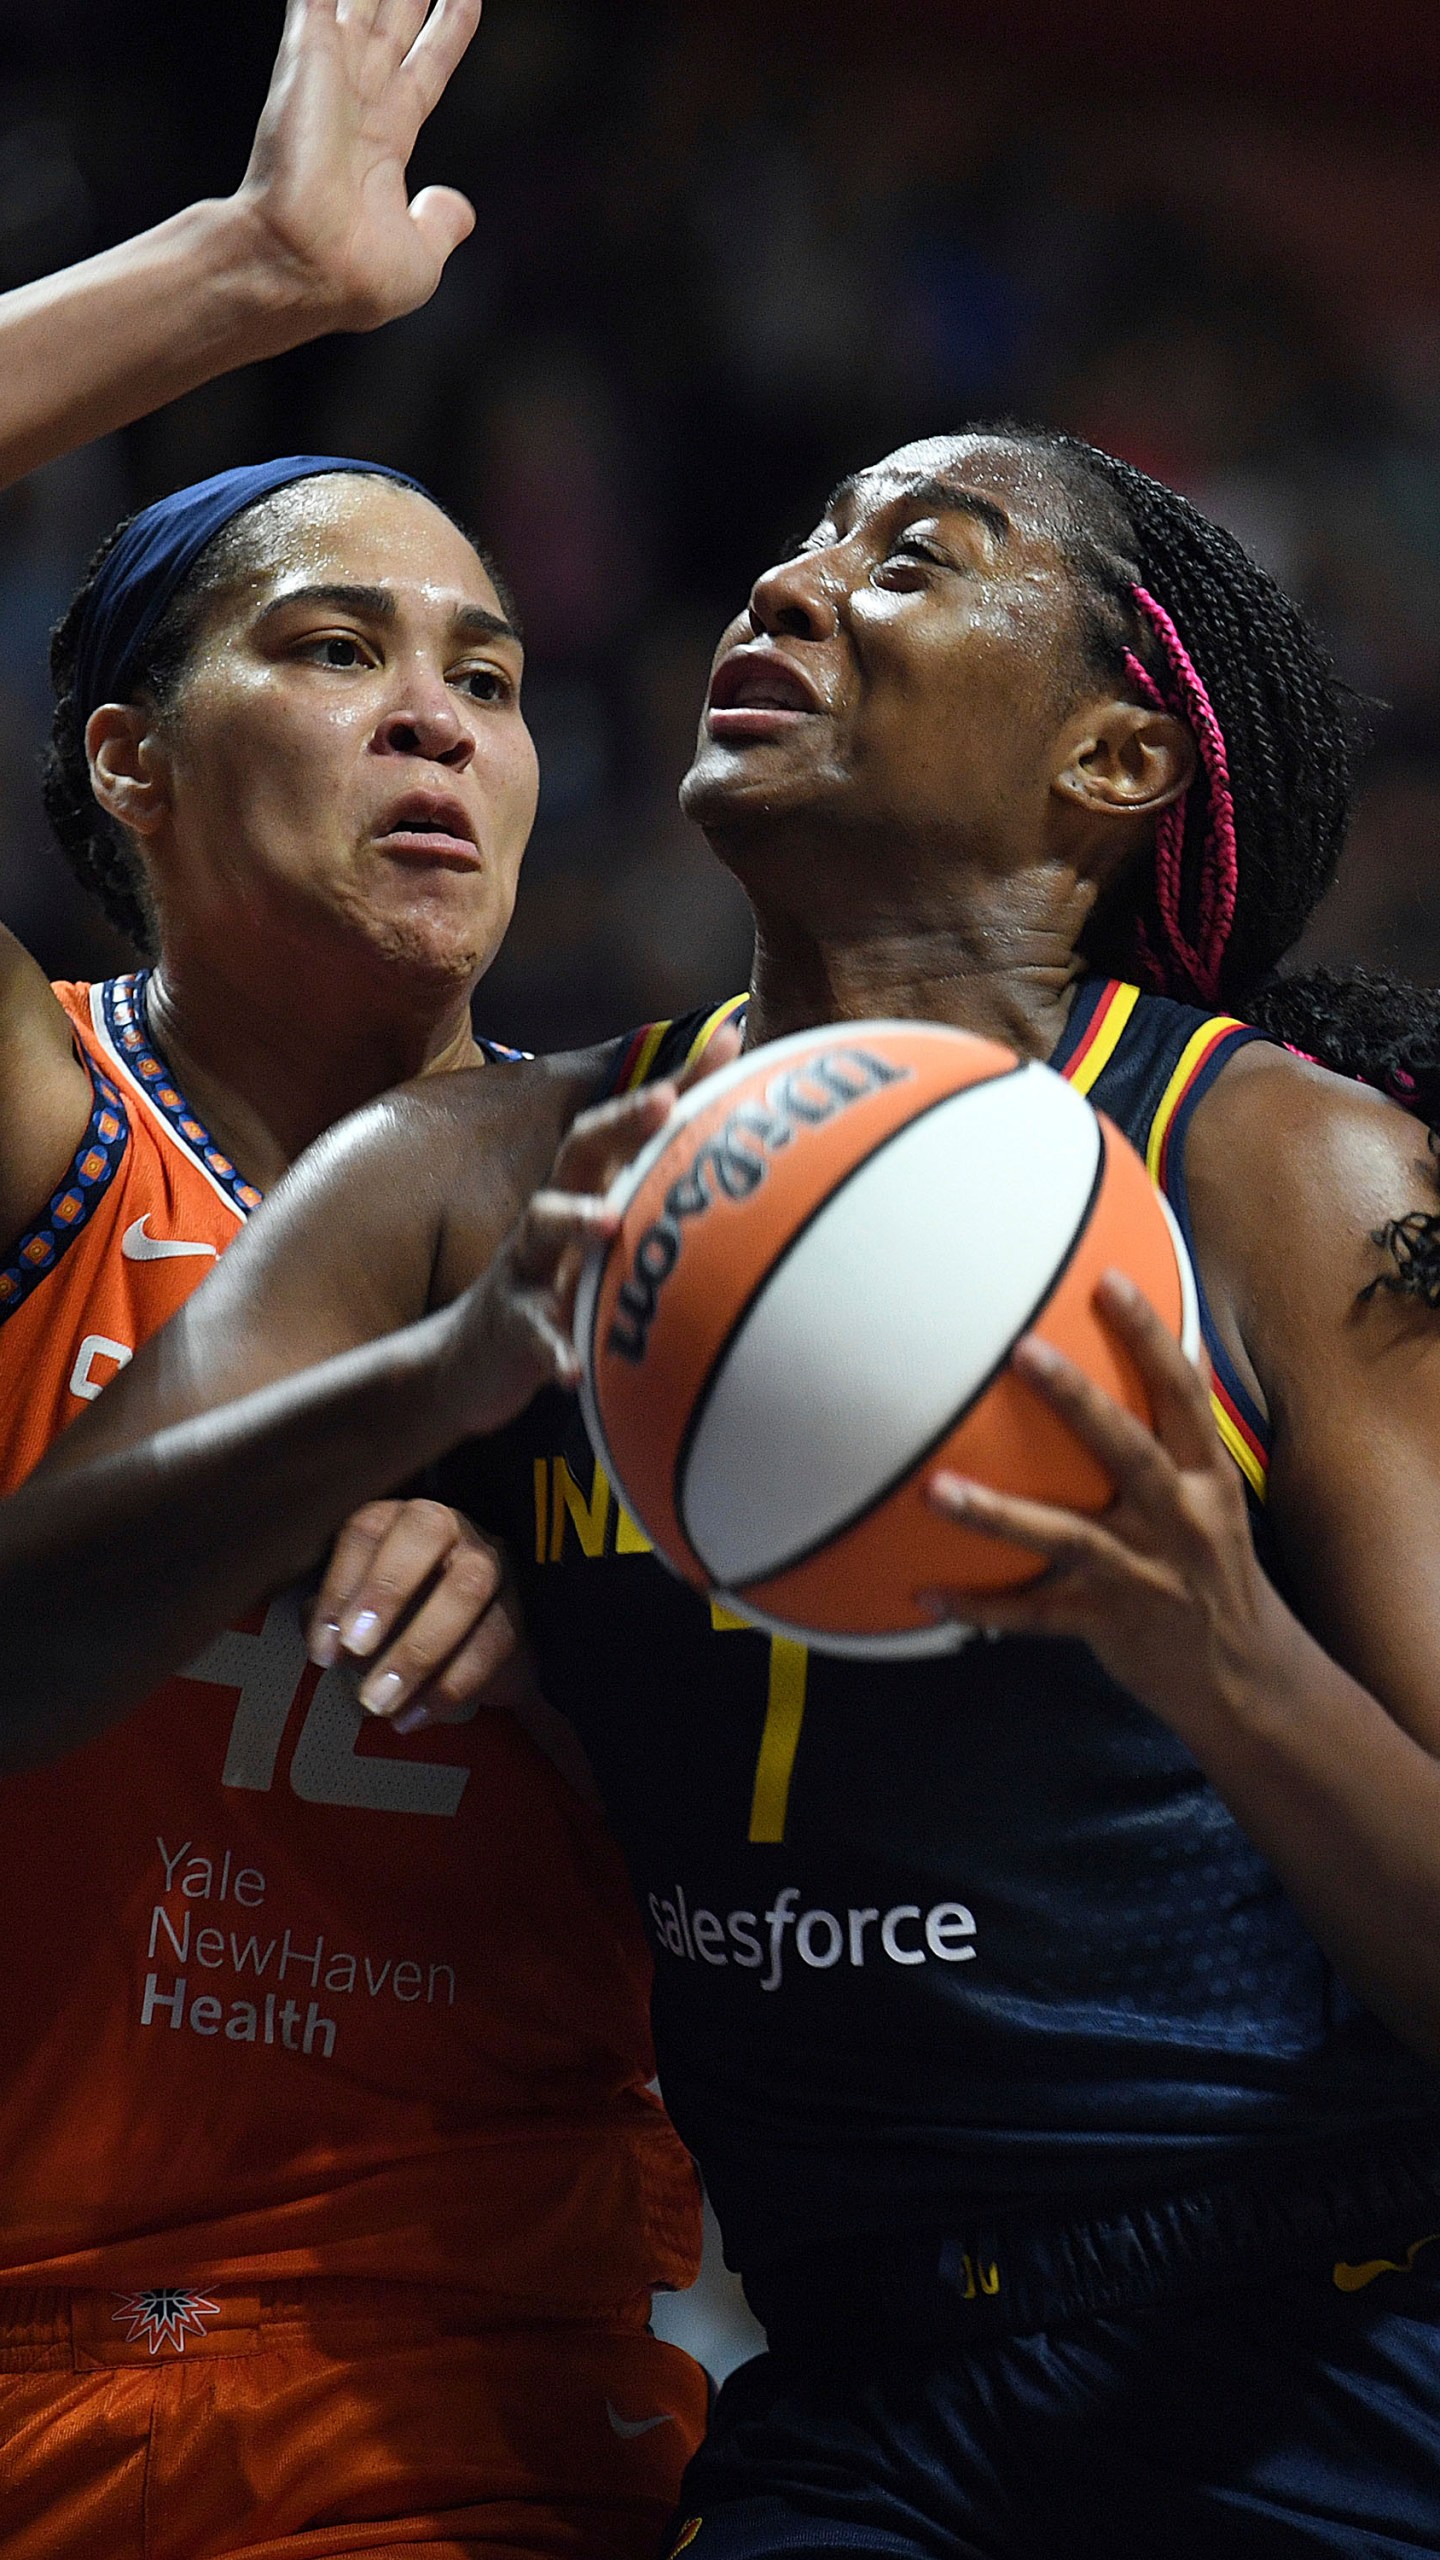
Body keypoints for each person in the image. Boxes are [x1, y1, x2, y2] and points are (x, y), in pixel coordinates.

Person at [10, 424, 1440, 2555]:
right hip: (853, 2400)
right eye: (794, 540)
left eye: (910, 559)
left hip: (1306, 2348)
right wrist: (440, 1381)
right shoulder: (479, 1180)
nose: (788, 584)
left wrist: (1227, 1654)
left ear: (1116, 764)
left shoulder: (1279, 1172)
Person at [0, 6, 706, 2556]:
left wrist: (585, 1583)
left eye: (493, 680)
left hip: (488, 2393)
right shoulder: (56, 1122)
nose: (435, 715)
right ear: (125, 757)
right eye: (330, 648)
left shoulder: (679, 1185)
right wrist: (245, 273)